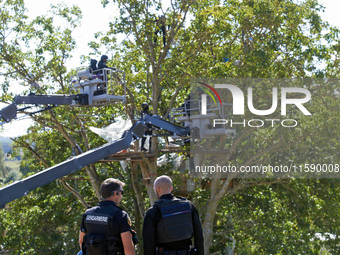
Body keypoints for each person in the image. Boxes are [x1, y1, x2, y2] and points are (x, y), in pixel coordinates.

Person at [143, 175, 204, 255]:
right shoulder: (189, 206)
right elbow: (199, 235)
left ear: (158, 189)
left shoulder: (153, 212)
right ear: (171, 188)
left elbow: (149, 244)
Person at [79, 178, 135, 255]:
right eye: (121, 192)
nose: (121, 196)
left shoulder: (87, 214)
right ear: (115, 193)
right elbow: (128, 247)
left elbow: (81, 241)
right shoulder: (120, 215)